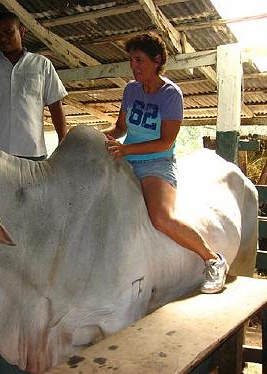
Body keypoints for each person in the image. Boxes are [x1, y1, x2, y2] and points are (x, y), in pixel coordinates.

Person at [103, 32, 228, 294]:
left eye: (139, 60)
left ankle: (212, 259)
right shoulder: (131, 89)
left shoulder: (171, 94)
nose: (134, 67)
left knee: (161, 217)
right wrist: (96, 136)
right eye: (131, 61)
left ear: (156, 60)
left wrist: (126, 149)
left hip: (155, 164)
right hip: (125, 160)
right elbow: (120, 127)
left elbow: (165, 142)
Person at [0, 11, 68, 160]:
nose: (3, 38)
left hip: (33, 153)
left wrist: (64, 142)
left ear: (21, 31)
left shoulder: (42, 65)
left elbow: (55, 106)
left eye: (8, 32)